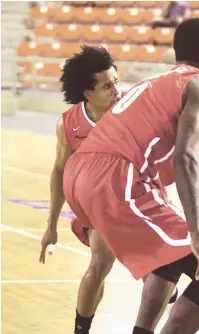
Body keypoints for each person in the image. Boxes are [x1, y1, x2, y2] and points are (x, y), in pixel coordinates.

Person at [62, 18, 199, 334]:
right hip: (119, 179)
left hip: (81, 173)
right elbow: (185, 157)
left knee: (168, 260)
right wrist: (197, 235)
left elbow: (195, 138)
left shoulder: (159, 82)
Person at [38, 46, 178, 334]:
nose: (116, 90)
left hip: (138, 198)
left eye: (116, 81)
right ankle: (81, 329)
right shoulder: (69, 124)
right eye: (106, 86)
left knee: (161, 277)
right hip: (98, 204)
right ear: (87, 93)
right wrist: (51, 224)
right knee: (101, 260)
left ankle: (157, 286)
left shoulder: (135, 109)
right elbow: (60, 170)